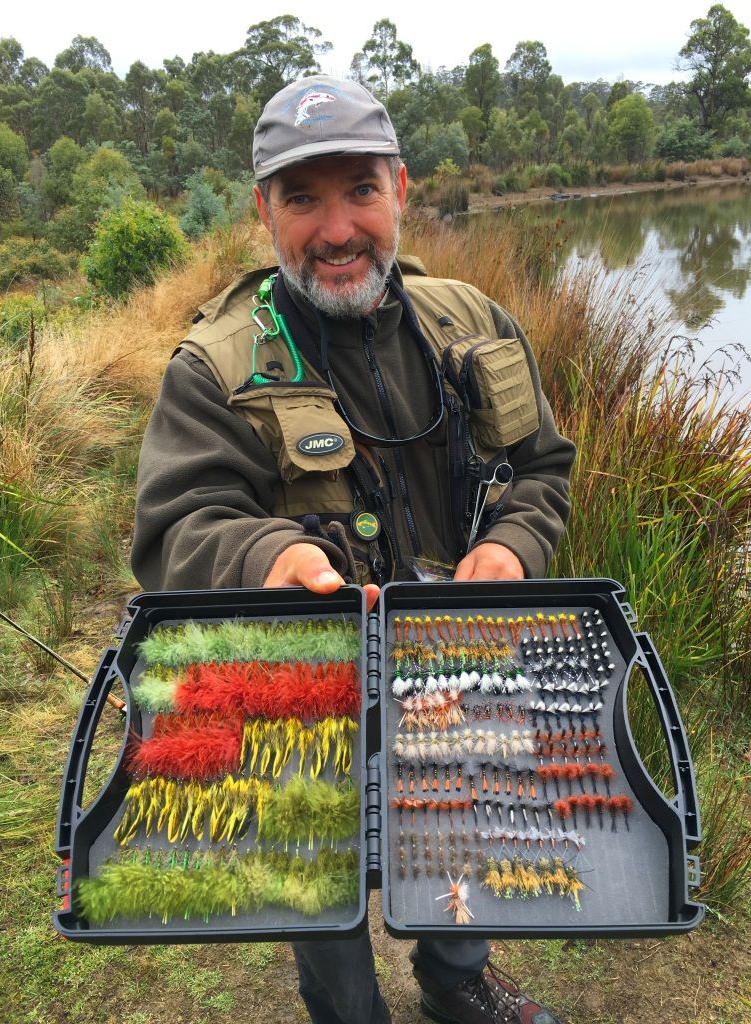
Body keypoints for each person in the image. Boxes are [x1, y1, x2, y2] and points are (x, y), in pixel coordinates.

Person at [132, 75, 575, 1024]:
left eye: (360, 191)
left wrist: (511, 550)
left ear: (401, 189)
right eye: (303, 199)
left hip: (450, 669)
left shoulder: (474, 321)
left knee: (454, 818)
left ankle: (456, 980)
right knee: (314, 860)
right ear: (264, 211)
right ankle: (350, 1012)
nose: (337, 230)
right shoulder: (213, 367)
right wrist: (266, 558)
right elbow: (179, 527)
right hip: (305, 686)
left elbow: (543, 468)